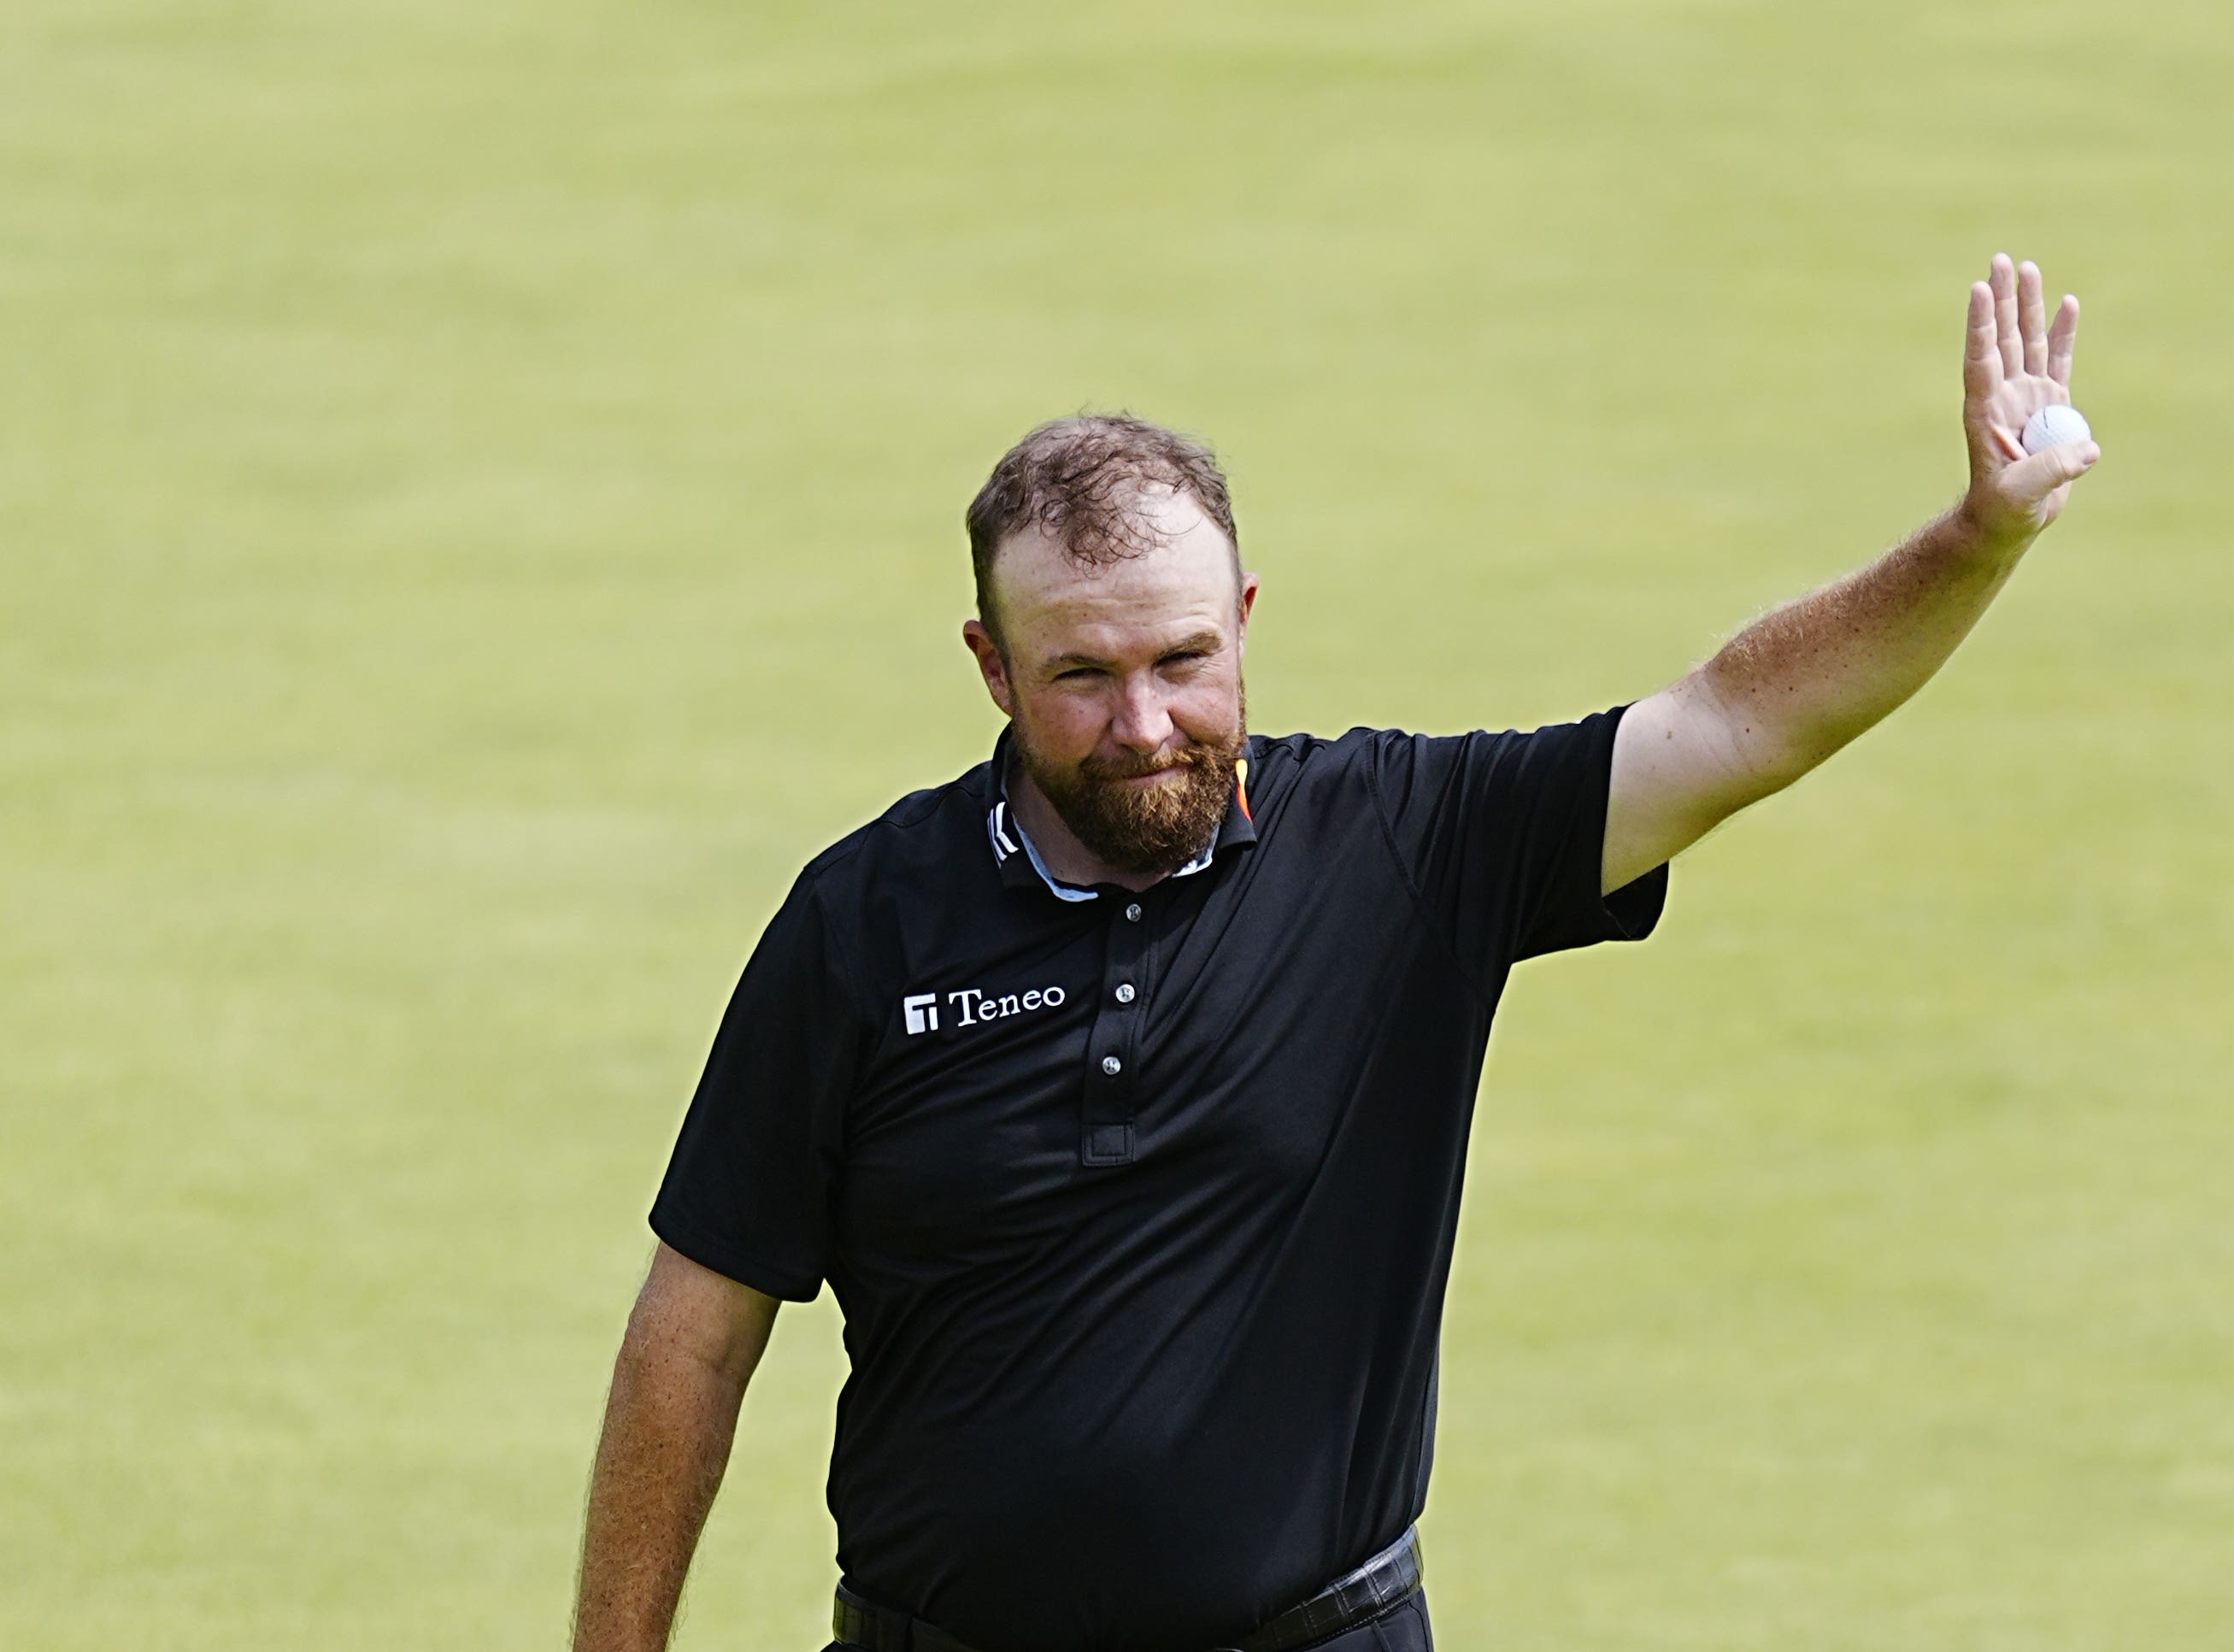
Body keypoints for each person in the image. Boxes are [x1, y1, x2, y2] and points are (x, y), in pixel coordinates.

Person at [570, 254, 2097, 1652]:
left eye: (1183, 659)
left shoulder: (1405, 845)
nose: (1146, 723)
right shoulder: (863, 922)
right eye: (1082, 676)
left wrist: (1974, 540)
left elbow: (1740, 718)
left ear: (1243, 618)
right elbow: (691, 1340)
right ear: (989, 664)